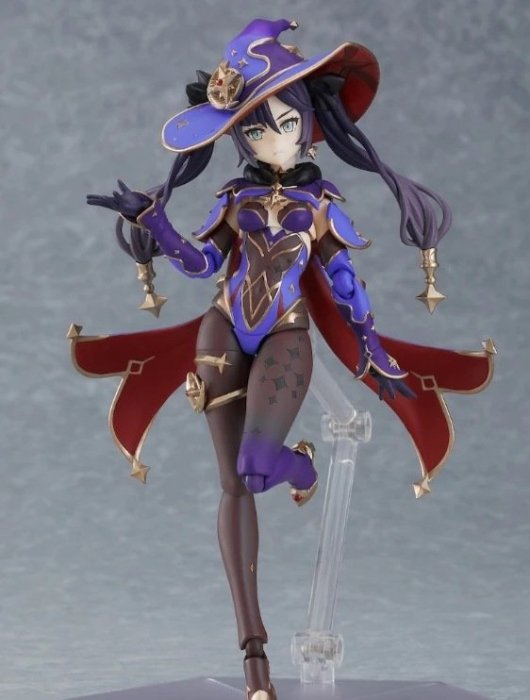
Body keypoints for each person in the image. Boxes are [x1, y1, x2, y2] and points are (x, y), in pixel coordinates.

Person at [70, 19, 494, 700]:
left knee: (257, 467)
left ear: (310, 127)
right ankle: (255, 659)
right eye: (255, 129)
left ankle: (298, 464)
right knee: (233, 485)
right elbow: (201, 264)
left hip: (286, 333)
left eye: (285, 123)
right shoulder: (234, 199)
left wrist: (373, 349)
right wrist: (154, 222)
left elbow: (345, 284)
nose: (271, 138)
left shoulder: (320, 204)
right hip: (222, 330)